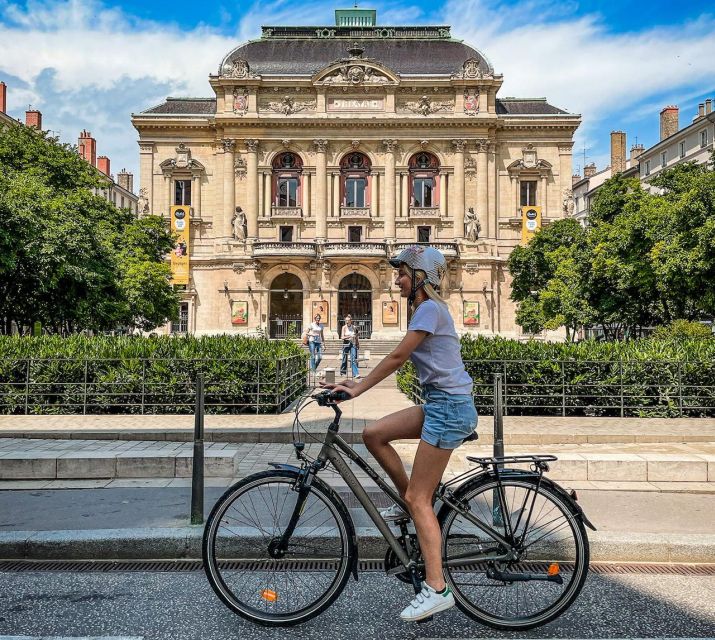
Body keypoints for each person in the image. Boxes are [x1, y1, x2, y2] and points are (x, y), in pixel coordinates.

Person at [320, 245, 476, 622]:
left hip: (449, 409)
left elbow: (396, 358)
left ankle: (437, 588)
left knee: (421, 499)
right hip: (441, 404)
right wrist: (353, 381)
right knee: (373, 434)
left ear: (422, 277)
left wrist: (357, 388)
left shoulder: (430, 309)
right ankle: (410, 502)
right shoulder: (425, 310)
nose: (398, 280)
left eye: (403, 274)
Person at [339, 314, 360, 379]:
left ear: (351, 321)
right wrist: (350, 336)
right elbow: (342, 337)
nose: (347, 322)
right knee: (344, 359)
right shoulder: (344, 327)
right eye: (346, 321)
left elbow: (356, 336)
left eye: (348, 320)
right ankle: (343, 372)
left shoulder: (354, 327)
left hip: (353, 343)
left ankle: (355, 374)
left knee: (353, 359)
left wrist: (357, 343)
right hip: (346, 343)